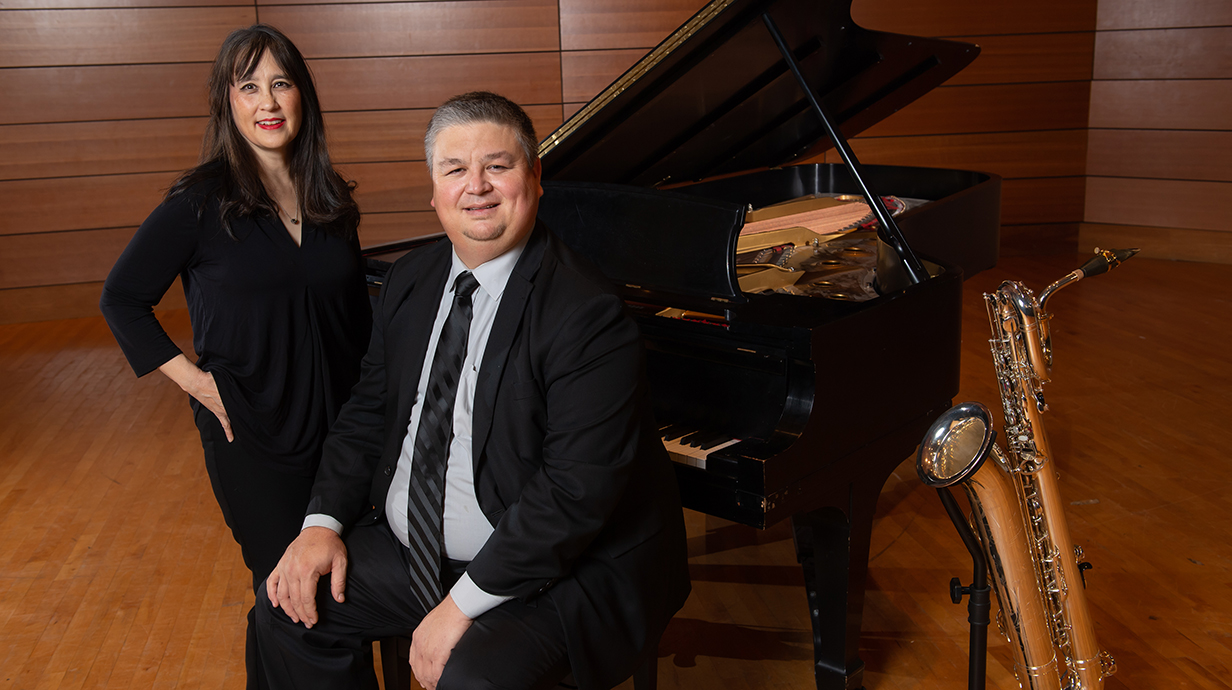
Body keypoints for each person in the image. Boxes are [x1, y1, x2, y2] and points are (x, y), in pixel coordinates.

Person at [257, 91, 691, 690]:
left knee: (470, 677)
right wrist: (321, 525)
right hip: (415, 549)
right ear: (433, 189)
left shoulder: (586, 313)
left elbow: (574, 493)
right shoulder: (411, 281)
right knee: (283, 608)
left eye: (498, 166)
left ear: (535, 177)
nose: (477, 186)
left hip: (549, 575)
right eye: (455, 169)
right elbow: (368, 414)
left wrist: (461, 606)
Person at [99, 24, 371, 689]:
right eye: (248, 86)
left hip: (338, 433)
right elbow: (122, 298)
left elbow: (356, 326)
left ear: (303, 96)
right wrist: (199, 386)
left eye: (281, 83)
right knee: (297, 597)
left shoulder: (332, 200)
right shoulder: (199, 202)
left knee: (310, 591)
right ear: (228, 103)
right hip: (250, 431)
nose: (267, 100)